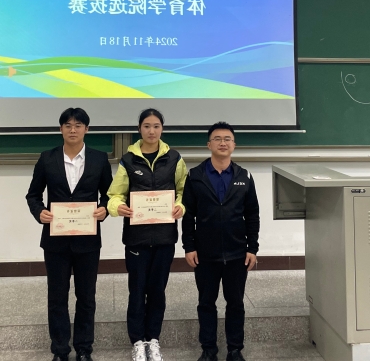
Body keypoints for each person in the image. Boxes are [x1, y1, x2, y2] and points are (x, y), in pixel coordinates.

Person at [26, 108, 113, 361]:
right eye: (68, 125)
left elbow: (109, 195)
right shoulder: (47, 158)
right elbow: (33, 195)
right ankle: (60, 350)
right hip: (56, 240)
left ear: (87, 129)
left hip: (88, 240)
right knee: (57, 297)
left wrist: (105, 209)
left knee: (86, 297)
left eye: (78, 125)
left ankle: (84, 349)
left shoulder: (99, 159)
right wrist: (39, 212)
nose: (73, 130)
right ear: (61, 129)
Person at [107, 108, 188, 361]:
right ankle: (137, 341)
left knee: (157, 290)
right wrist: (117, 207)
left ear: (162, 129)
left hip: (165, 237)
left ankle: (153, 339)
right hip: (136, 238)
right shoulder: (128, 160)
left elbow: (184, 190)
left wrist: (181, 206)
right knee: (137, 290)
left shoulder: (175, 158)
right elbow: (115, 194)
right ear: (139, 129)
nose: (151, 131)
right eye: (146, 126)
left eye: (156, 126)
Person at [182, 122, 260, 361]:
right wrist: (189, 246)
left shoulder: (244, 176)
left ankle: (235, 349)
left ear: (234, 145)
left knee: (235, 303)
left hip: (237, 253)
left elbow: (252, 215)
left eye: (227, 139)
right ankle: (209, 350)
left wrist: (252, 248)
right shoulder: (195, 176)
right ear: (209, 144)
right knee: (206, 303)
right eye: (217, 139)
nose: (223, 143)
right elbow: (188, 214)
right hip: (205, 253)